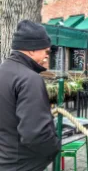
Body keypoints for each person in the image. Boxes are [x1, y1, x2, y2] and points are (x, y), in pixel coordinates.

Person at [0, 20, 61, 171]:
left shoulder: (3, 70)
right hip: (22, 163)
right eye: (46, 51)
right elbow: (35, 134)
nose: (47, 56)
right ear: (32, 49)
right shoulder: (29, 79)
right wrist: (55, 147)